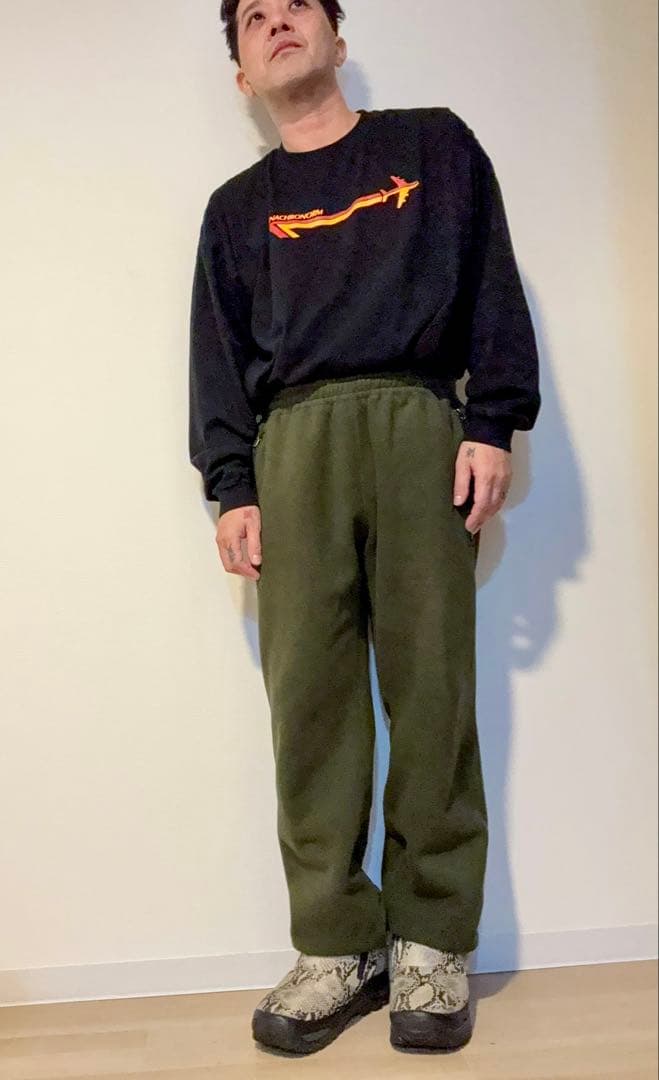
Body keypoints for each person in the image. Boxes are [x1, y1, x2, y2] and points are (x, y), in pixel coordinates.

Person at [188, 0, 541, 1057]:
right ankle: (336, 944)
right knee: (309, 700)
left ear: (337, 40)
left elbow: (489, 283)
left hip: (416, 420)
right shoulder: (236, 209)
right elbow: (216, 356)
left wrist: (490, 420)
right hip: (291, 443)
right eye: (252, 18)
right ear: (242, 75)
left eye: (295, 4)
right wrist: (232, 484)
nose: (274, 21)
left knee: (431, 684)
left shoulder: (431, 147)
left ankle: (430, 938)